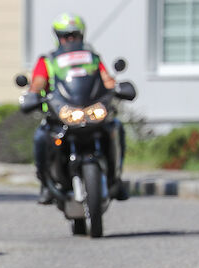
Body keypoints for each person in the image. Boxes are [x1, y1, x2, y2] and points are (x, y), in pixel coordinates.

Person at [29, 13, 128, 204]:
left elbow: (106, 80)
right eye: (65, 36)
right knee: (41, 137)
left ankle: (116, 179)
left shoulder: (92, 58)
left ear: (81, 35)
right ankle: (46, 184)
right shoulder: (48, 60)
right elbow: (38, 84)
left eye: (74, 35)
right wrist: (32, 95)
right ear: (58, 37)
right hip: (60, 115)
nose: (70, 39)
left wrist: (117, 87)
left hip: (90, 111)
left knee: (116, 127)